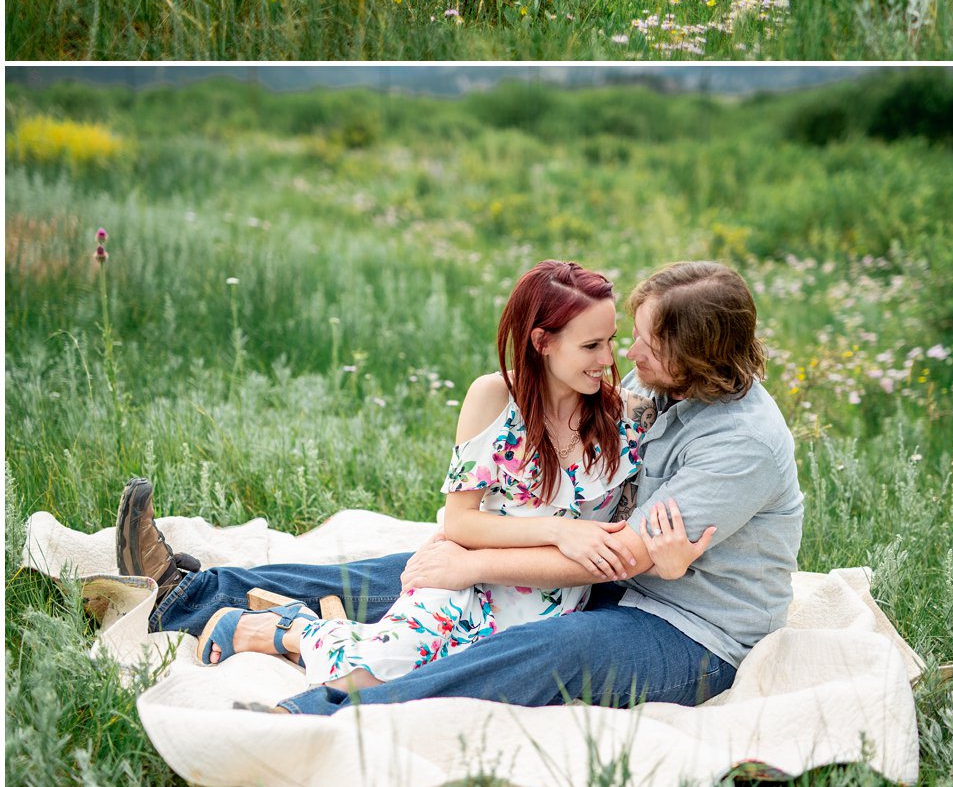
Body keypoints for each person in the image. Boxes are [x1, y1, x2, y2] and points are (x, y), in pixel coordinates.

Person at [112, 260, 803, 717]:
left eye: (647, 343)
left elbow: (617, 552)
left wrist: (473, 561)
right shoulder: (673, 390)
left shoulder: (740, 445)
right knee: (407, 571)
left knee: (549, 651)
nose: (629, 356)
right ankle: (187, 594)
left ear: (693, 357)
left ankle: (336, 708)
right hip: (627, 580)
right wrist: (466, 558)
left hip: (690, 631)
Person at [182, 260, 665, 693]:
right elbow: (461, 523)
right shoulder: (494, 399)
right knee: (365, 677)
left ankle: (298, 629)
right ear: (542, 342)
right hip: (461, 579)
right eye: (591, 345)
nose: (608, 360)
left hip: (547, 616)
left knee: (425, 687)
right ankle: (283, 628)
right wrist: (562, 529)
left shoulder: (626, 416)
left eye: (612, 341)